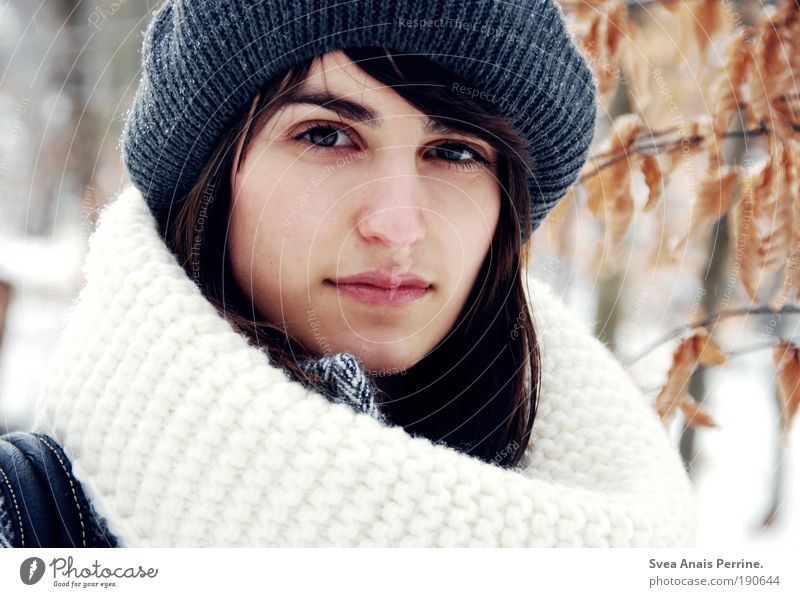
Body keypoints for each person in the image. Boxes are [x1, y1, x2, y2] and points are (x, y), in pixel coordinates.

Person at [0, 0, 697, 547]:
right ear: (210, 182)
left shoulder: (630, 533)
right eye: (326, 135)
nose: (396, 224)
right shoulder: (28, 530)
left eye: (454, 150)